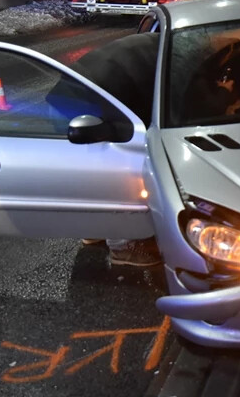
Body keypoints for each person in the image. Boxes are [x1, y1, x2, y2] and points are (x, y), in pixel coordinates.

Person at [51, 33, 164, 267]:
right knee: (121, 172)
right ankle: (122, 247)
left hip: (65, 98)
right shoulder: (171, 60)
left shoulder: (155, 43)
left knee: (92, 171)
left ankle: (93, 230)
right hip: (86, 104)